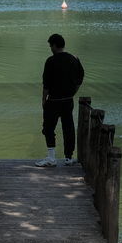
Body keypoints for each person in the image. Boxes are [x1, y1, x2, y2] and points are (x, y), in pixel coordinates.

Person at [36, 33, 85, 167]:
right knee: (68, 127)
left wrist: (43, 100)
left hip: (53, 100)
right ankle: (69, 157)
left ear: (55, 45)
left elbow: (46, 84)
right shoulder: (74, 59)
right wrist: (73, 92)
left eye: (50, 45)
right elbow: (80, 78)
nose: (50, 48)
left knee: (48, 128)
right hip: (68, 100)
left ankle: (51, 158)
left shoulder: (50, 61)